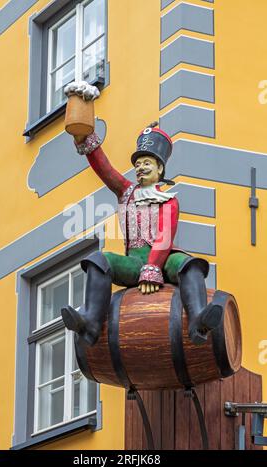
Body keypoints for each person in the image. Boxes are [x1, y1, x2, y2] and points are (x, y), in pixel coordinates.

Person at [61, 84, 223, 347]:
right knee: (98, 261)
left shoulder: (169, 200)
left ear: (159, 168)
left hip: (163, 257)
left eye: (146, 163)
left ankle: (198, 320)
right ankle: (90, 321)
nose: (140, 168)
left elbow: (164, 236)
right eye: (137, 164)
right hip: (133, 261)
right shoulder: (126, 191)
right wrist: (84, 138)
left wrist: (153, 267)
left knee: (189, 265)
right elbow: (104, 168)